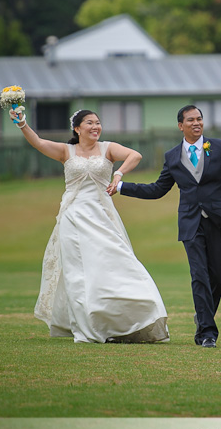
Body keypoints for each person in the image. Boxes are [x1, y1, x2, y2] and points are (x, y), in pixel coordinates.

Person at [109, 105, 221, 348]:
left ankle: (203, 314)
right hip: (191, 224)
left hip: (219, 222)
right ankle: (207, 333)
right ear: (181, 125)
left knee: (219, 277)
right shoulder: (172, 157)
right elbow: (158, 190)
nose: (196, 123)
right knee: (199, 275)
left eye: (199, 119)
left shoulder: (219, 147)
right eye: (190, 120)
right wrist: (121, 187)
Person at [11, 106, 169, 344]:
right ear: (77, 128)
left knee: (118, 263)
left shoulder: (108, 148)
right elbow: (39, 143)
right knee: (78, 274)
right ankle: (86, 328)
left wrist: (118, 175)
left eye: (98, 122)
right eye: (90, 123)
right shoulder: (66, 151)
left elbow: (135, 155)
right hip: (73, 217)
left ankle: (137, 317)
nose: (96, 127)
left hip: (101, 215)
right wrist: (22, 123)